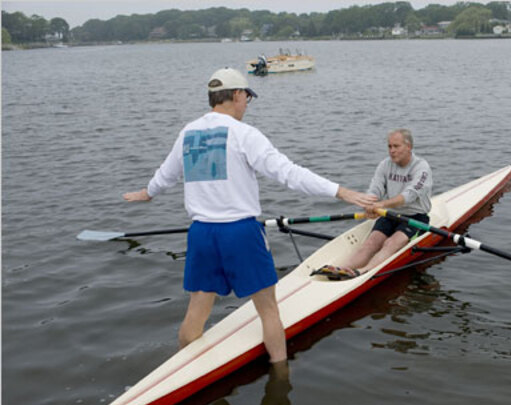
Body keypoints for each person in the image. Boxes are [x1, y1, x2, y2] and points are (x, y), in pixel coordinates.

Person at [123, 67, 376, 363]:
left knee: (196, 312)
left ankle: (181, 371)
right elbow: (288, 173)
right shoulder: (244, 134)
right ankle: (281, 374)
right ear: (237, 94)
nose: (246, 105)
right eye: (247, 98)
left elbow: (165, 177)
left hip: (202, 234)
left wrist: (146, 193)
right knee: (268, 310)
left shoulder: (188, 133)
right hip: (240, 233)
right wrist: (340, 192)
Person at [312, 129, 432, 280]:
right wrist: (369, 204)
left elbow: (409, 195)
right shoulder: (385, 165)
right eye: (389, 146)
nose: (392, 151)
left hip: (416, 218)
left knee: (390, 243)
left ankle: (364, 272)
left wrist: (381, 205)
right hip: (391, 214)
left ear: (409, 147)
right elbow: (375, 189)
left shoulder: (421, 167)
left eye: (396, 146)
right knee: (371, 243)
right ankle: (343, 270)